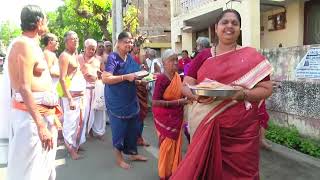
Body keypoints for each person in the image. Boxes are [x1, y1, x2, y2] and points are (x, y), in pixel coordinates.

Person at [171, 9, 273, 179]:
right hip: (208, 125)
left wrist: (243, 95)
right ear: (216, 27)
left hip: (243, 132)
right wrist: (197, 96)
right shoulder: (203, 56)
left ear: (240, 29)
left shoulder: (251, 56)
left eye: (235, 23)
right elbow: (185, 86)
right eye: (225, 22)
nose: (229, 26)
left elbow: (266, 89)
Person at [6, 5, 62, 180]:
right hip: (30, 119)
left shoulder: (32, 44)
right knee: (29, 172)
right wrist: (40, 125)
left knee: (43, 167)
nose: (47, 24)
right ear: (38, 22)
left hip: (41, 115)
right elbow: (24, 87)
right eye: (45, 20)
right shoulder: (23, 44)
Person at [102, 31, 148, 169]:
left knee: (132, 128)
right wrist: (124, 77)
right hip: (116, 101)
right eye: (127, 42)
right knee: (119, 130)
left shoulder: (130, 58)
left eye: (131, 42)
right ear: (119, 42)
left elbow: (134, 77)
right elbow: (105, 78)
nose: (130, 44)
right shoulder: (113, 58)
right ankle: (119, 158)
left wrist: (142, 81)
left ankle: (133, 153)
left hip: (130, 99)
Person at [152, 49, 188, 180]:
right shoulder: (162, 79)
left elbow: (182, 93)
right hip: (164, 116)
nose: (175, 63)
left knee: (175, 144)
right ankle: (164, 173)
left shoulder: (178, 77)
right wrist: (178, 102)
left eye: (176, 60)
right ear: (164, 63)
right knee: (166, 146)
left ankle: (174, 171)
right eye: (171, 60)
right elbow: (155, 101)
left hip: (176, 115)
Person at [57, 31, 86, 160]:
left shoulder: (75, 54)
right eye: (72, 39)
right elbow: (62, 79)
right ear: (66, 41)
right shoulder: (64, 56)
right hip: (71, 96)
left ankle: (75, 144)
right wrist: (69, 99)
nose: (75, 41)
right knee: (70, 122)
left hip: (79, 95)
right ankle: (70, 148)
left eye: (76, 38)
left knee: (79, 121)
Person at [78, 38, 106, 140]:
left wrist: (100, 74)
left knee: (98, 110)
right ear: (85, 48)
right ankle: (85, 131)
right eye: (89, 49)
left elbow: (104, 73)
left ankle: (98, 132)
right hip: (83, 88)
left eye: (93, 49)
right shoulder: (79, 58)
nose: (91, 51)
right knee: (85, 111)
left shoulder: (99, 59)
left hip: (96, 88)